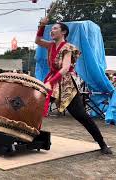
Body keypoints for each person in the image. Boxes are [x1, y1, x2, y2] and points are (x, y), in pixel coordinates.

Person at [35, 17, 112, 154]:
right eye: (51, 29)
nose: (52, 31)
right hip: (52, 81)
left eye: (55, 28)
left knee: (81, 115)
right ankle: (28, 136)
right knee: (37, 106)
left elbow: (65, 68)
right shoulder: (51, 45)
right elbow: (38, 41)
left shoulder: (68, 48)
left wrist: (50, 82)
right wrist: (42, 26)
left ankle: (102, 144)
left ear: (63, 32)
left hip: (66, 85)